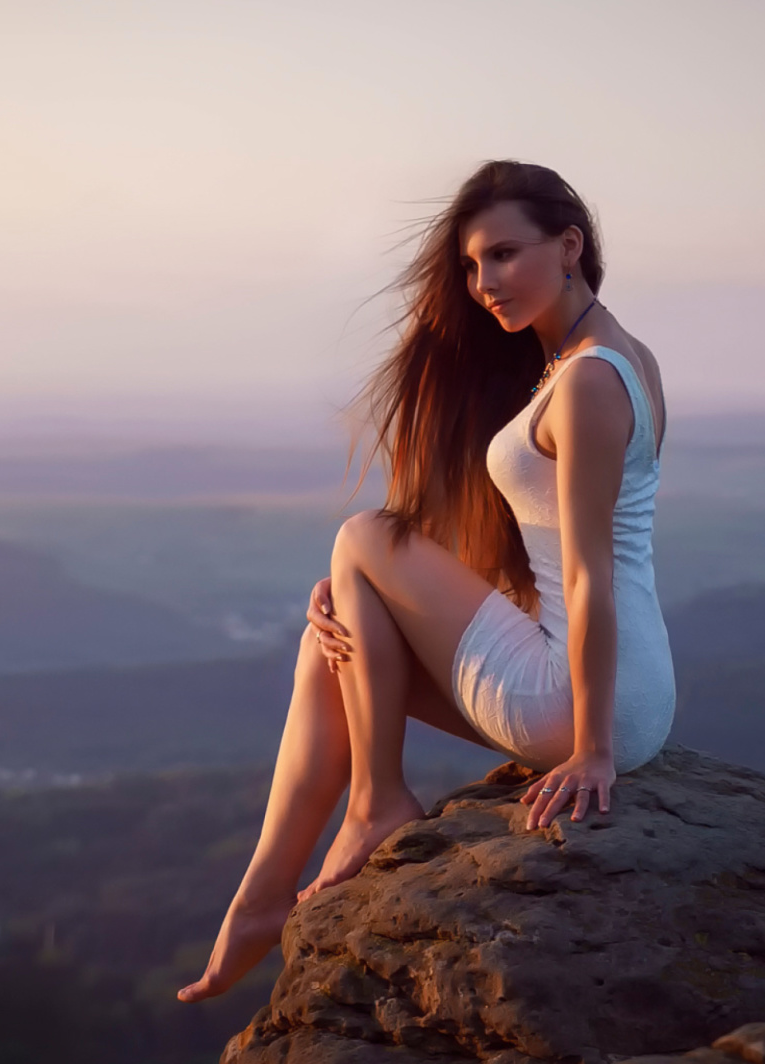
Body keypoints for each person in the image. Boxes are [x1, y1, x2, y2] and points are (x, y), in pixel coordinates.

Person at [177, 160, 675, 1003]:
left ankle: (374, 804)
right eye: (473, 266)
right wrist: (362, 593)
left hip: (586, 698)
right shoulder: (611, 358)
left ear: (570, 245)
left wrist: (593, 753)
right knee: (331, 635)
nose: (485, 284)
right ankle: (262, 900)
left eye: (504, 255)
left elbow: (588, 576)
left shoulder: (589, 379)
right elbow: (546, 550)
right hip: (625, 689)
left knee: (362, 534)